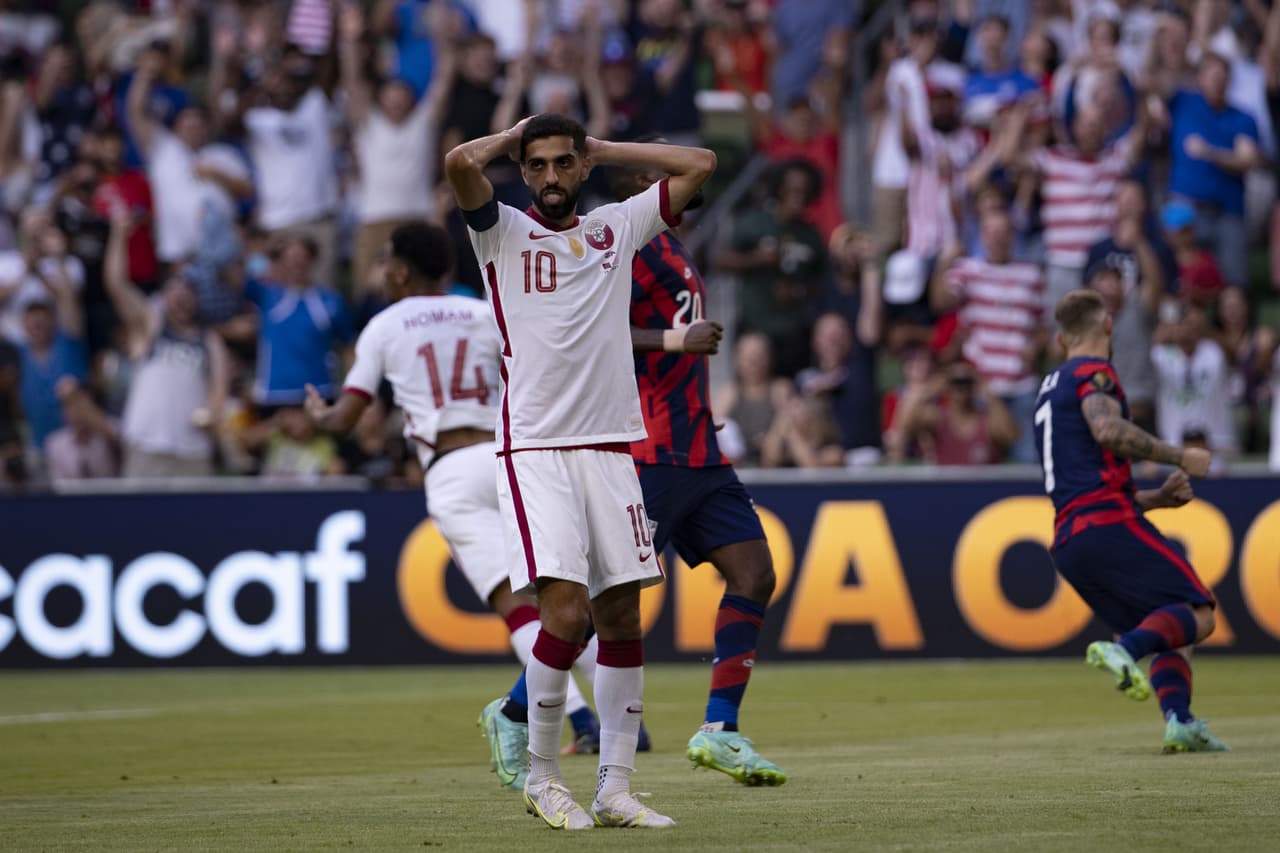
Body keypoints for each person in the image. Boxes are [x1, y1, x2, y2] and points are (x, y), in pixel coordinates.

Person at [480, 156, 786, 792]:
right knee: (598, 605)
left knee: (755, 574)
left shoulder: (674, 248)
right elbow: (599, 327)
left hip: (698, 445)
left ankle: (720, 729)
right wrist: (676, 342)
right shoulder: (626, 244)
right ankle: (513, 712)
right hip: (647, 450)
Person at [445, 113, 714, 830]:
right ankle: (540, 775)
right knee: (565, 613)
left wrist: (604, 148)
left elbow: (699, 163)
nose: (554, 177)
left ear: (582, 167)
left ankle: (616, 787)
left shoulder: (614, 229)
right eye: (540, 166)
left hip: (611, 445)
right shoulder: (499, 231)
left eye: (566, 163)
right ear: (525, 172)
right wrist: (513, 138)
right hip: (535, 448)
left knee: (623, 614)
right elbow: (458, 166)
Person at [304, 220, 598, 765]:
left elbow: (347, 414)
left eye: (384, 264)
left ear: (398, 270)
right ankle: (618, 713)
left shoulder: (385, 324)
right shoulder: (485, 313)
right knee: (563, 598)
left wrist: (319, 416)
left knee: (519, 611)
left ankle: (582, 720)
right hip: (510, 458)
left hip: (450, 472)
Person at [1033, 288, 1226, 754]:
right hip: (1106, 525)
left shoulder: (1049, 387)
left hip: (1071, 540)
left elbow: (1086, 485)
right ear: (1107, 327)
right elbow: (1108, 430)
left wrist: (1155, 497)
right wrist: (1179, 455)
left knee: (1167, 624)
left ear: (1060, 340)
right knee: (1198, 614)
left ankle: (1179, 721)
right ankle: (1126, 652)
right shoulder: (1094, 373)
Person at [105, 202, 229, 479]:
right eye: (176, 289)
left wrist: (211, 415)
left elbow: (218, 393)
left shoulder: (210, 341)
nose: (182, 296)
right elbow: (116, 284)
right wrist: (118, 235)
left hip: (192, 451)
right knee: (138, 522)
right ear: (165, 295)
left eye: (190, 290)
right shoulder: (151, 326)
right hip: (146, 446)